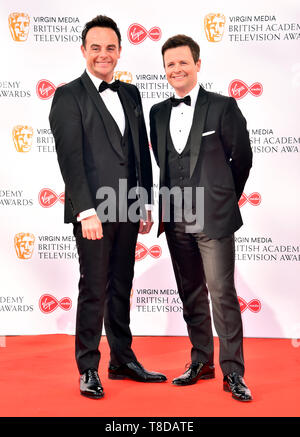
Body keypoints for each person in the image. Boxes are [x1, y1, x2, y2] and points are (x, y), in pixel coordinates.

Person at [49, 15, 166, 400]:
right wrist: (85, 211)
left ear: (120, 51)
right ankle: (87, 367)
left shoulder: (130, 93)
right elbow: (71, 159)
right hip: (94, 213)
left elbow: (139, 152)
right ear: (83, 50)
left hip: (129, 206)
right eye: (95, 47)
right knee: (94, 287)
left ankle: (121, 359)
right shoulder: (68, 96)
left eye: (110, 47)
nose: (103, 54)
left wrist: (145, 200)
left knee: (122, 285)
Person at [150, 34, 253, 401]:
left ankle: (233, 373)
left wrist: (222, 199)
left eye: (182, 62)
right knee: (190, 293)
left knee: (222, 294)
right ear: (164, 70)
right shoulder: (157, 112)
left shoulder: (223, 107)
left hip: (214, 218)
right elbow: (164, 163)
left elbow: (241, 159)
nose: (176, 69)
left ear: (197, 64)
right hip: (175, 218)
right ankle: (201, 361)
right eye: (169, 64)